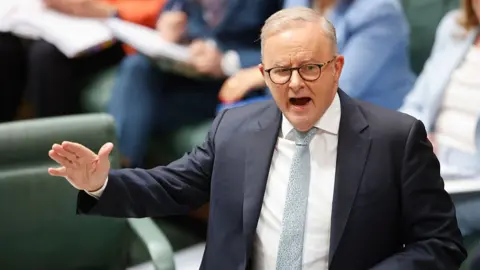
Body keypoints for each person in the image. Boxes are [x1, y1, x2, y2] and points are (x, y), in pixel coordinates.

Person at [48, 7, 466, 270]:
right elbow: (172, 186)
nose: (295, 83)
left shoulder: (396, 138)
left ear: (337, 68)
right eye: (280, 71)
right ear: (264, 76)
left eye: (310, 68)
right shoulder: (234, 129)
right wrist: (98, 183)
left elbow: (440, 243)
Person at [108, 0, 283, 168]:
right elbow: (175, 8)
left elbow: (288, 50)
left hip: (234, 84)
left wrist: (227, 61)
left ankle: (116, 177)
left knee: (135, 113)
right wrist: (169, 24)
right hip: (187, 67)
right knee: (136, 67)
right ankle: (117, 171)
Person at [219, 0, 416, 110]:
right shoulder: (299, 2)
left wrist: (260, 76)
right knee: (230, 117)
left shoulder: (379, 11)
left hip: (359, 116)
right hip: (296, 104)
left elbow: (338, 88)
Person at [400, 1, 480, 268]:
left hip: (473, 181)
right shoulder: (454, 28)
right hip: (433, 161)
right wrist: (418, 136)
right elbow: (417, 102)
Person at [0, 0, 165, 120]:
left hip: (121, 31)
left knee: (46, 56)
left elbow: (168, 8)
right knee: (5, 46)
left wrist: (110, 11)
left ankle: (57, 152)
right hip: (64, 17)